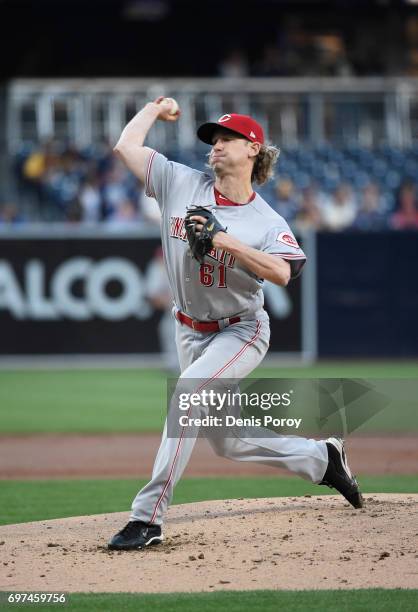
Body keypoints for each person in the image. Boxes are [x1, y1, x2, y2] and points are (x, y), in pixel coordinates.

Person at [108, 97, 363, 551]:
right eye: (213, 139)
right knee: (226, 442)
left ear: (254, 150)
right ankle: (322, 458)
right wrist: (153, 108)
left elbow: (284, 271)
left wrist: (222, 239)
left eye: (228, 138)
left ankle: (147, 519)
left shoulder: (266, 220)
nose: (217, 145)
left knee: (186, 396)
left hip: (240, 330)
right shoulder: (179, 182)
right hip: (187, 329)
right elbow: (126, 145)